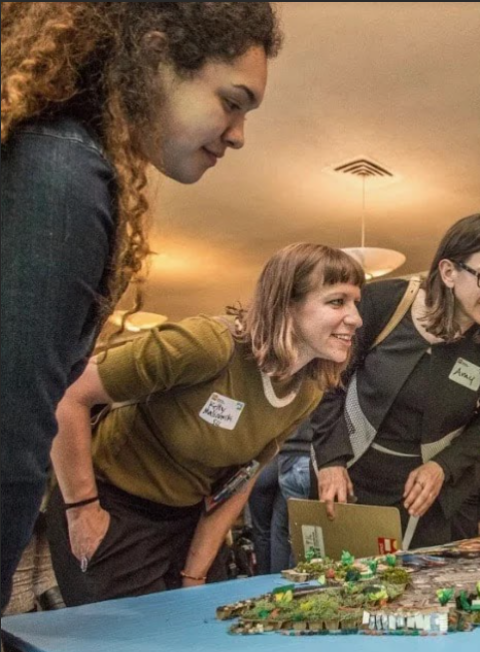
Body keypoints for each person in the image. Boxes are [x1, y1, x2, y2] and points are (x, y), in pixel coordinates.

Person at [1, 2, 282, 611]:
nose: (238, 134)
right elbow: (12, 440)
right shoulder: (62, 176)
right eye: (232, 101)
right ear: (155, 56)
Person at [46, 243, 364, 606]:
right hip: (111, 504)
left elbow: (239, 484)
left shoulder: (307, 390)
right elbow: (69, 394)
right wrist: (82, 508)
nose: (355, 317)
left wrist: (194, 574)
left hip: (186, 518)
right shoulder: (209, 345)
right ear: (287, 304)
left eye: (355, 302)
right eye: (337, 302)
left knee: (201, 630)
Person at [314, 213, 480, 549]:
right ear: (448, 272)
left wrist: (442, 467)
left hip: (437, 492)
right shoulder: (385, 303)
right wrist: (330, 460)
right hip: (357, 478)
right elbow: (329, 380)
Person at [247, 422, 314, 574]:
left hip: (272, 458)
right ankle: (280, 587)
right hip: (300, 457)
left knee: (263, 532)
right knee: (285, 532)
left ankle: (265, 587)